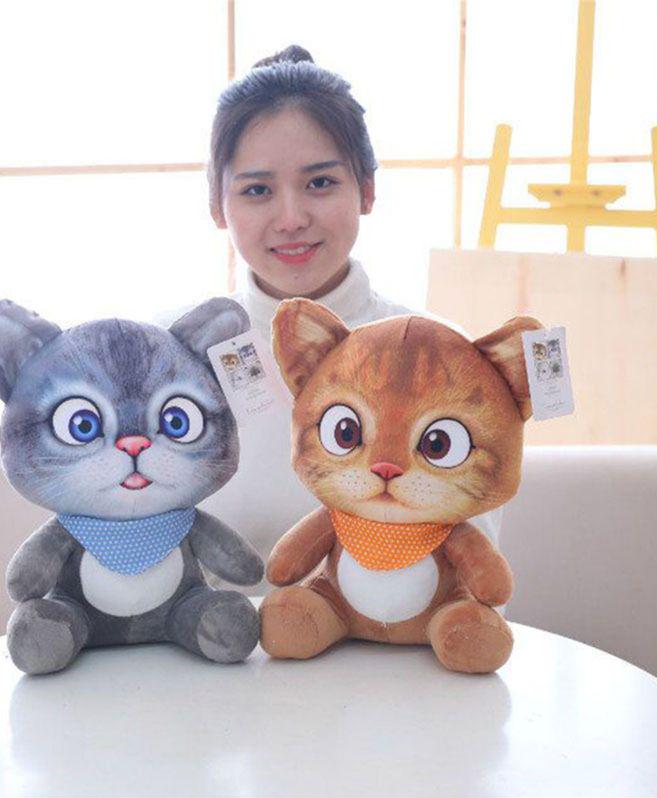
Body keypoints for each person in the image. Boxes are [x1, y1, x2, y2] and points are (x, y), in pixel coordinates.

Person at [159, 45, 502, 589]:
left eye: (320, 183)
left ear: (366, 189)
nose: (291, 218)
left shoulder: (444, 356)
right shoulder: (163, 355)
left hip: (386, 644)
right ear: (217, 206)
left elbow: (475, 580)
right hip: (204, 640)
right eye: (257, 190)